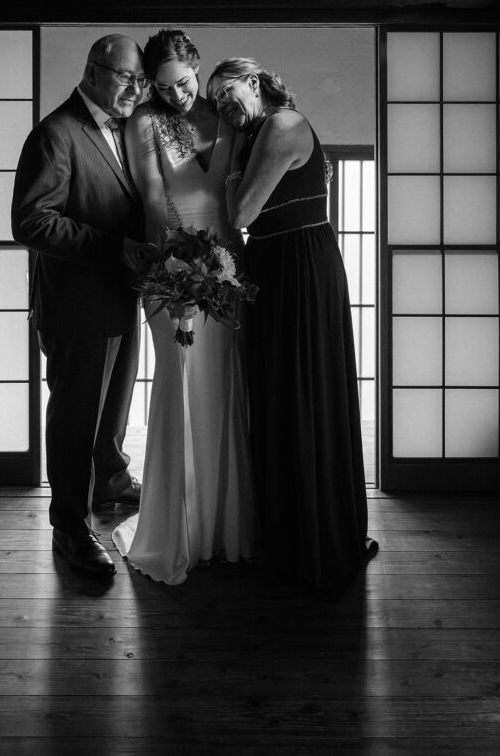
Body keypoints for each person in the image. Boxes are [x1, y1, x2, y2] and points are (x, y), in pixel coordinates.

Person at [206, 56, 377, 595]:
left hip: (301, 265)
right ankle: (286, 537)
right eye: (215, 101)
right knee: (279, 395)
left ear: (254, 81)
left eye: (227, 91)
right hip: (274, 267)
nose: (223, 105)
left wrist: (231, 152)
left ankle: (319, 542)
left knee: (305, 393)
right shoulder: (260, 130)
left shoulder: (282, 125)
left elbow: (240, 214)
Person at [112, 30, 259, 585]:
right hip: (172, 269)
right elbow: (153, 202)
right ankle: (178, 531)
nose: (176, 94)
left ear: (198, 68)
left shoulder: (224, 116)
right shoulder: (145, 122)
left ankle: (227, 528)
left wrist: (228, 267)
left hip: (230, 270)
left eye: (184, 82)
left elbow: (246, 187)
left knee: (224, 387)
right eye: (163, 85)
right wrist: (177, 270)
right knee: (180, 386)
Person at [11, 34, 153, 578]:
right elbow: (32, 221)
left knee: (113, 407)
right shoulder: (55, 133)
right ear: (93, 71)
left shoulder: (125, 128)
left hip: (121, 296)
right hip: (75, 306)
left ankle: (112, 482)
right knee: (75, 418)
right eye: (125, 78)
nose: (135, 89)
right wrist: (116, 248)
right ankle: (70, 527)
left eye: (140, 80)